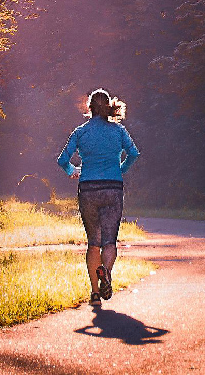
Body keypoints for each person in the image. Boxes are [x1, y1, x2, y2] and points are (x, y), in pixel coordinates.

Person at [57, 88, 140, 306]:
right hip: (113, 187)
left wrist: (72, 170)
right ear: (108, 107)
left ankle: (95, 294)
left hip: (88, 189)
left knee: (93, 243)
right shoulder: (118, 131)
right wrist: (120, 169)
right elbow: (134, 153)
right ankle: (106, 271)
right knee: (109, 240)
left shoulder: (80, 131)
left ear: (89, 108)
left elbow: (62, 159)